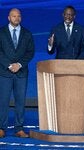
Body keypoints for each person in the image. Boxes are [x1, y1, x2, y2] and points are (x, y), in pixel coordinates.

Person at [0, 8, 34, 138]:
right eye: (14, 16)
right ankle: (1, 128)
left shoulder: (27, 33)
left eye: (18, 16)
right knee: (3, 101)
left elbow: (30, 52)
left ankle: (19, 129)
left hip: (21, 73)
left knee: (20, 101)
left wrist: (19, 65)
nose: (16, 18)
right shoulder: (1, 32)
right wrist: (9, 65)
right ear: (9, 18)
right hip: (4, 72)